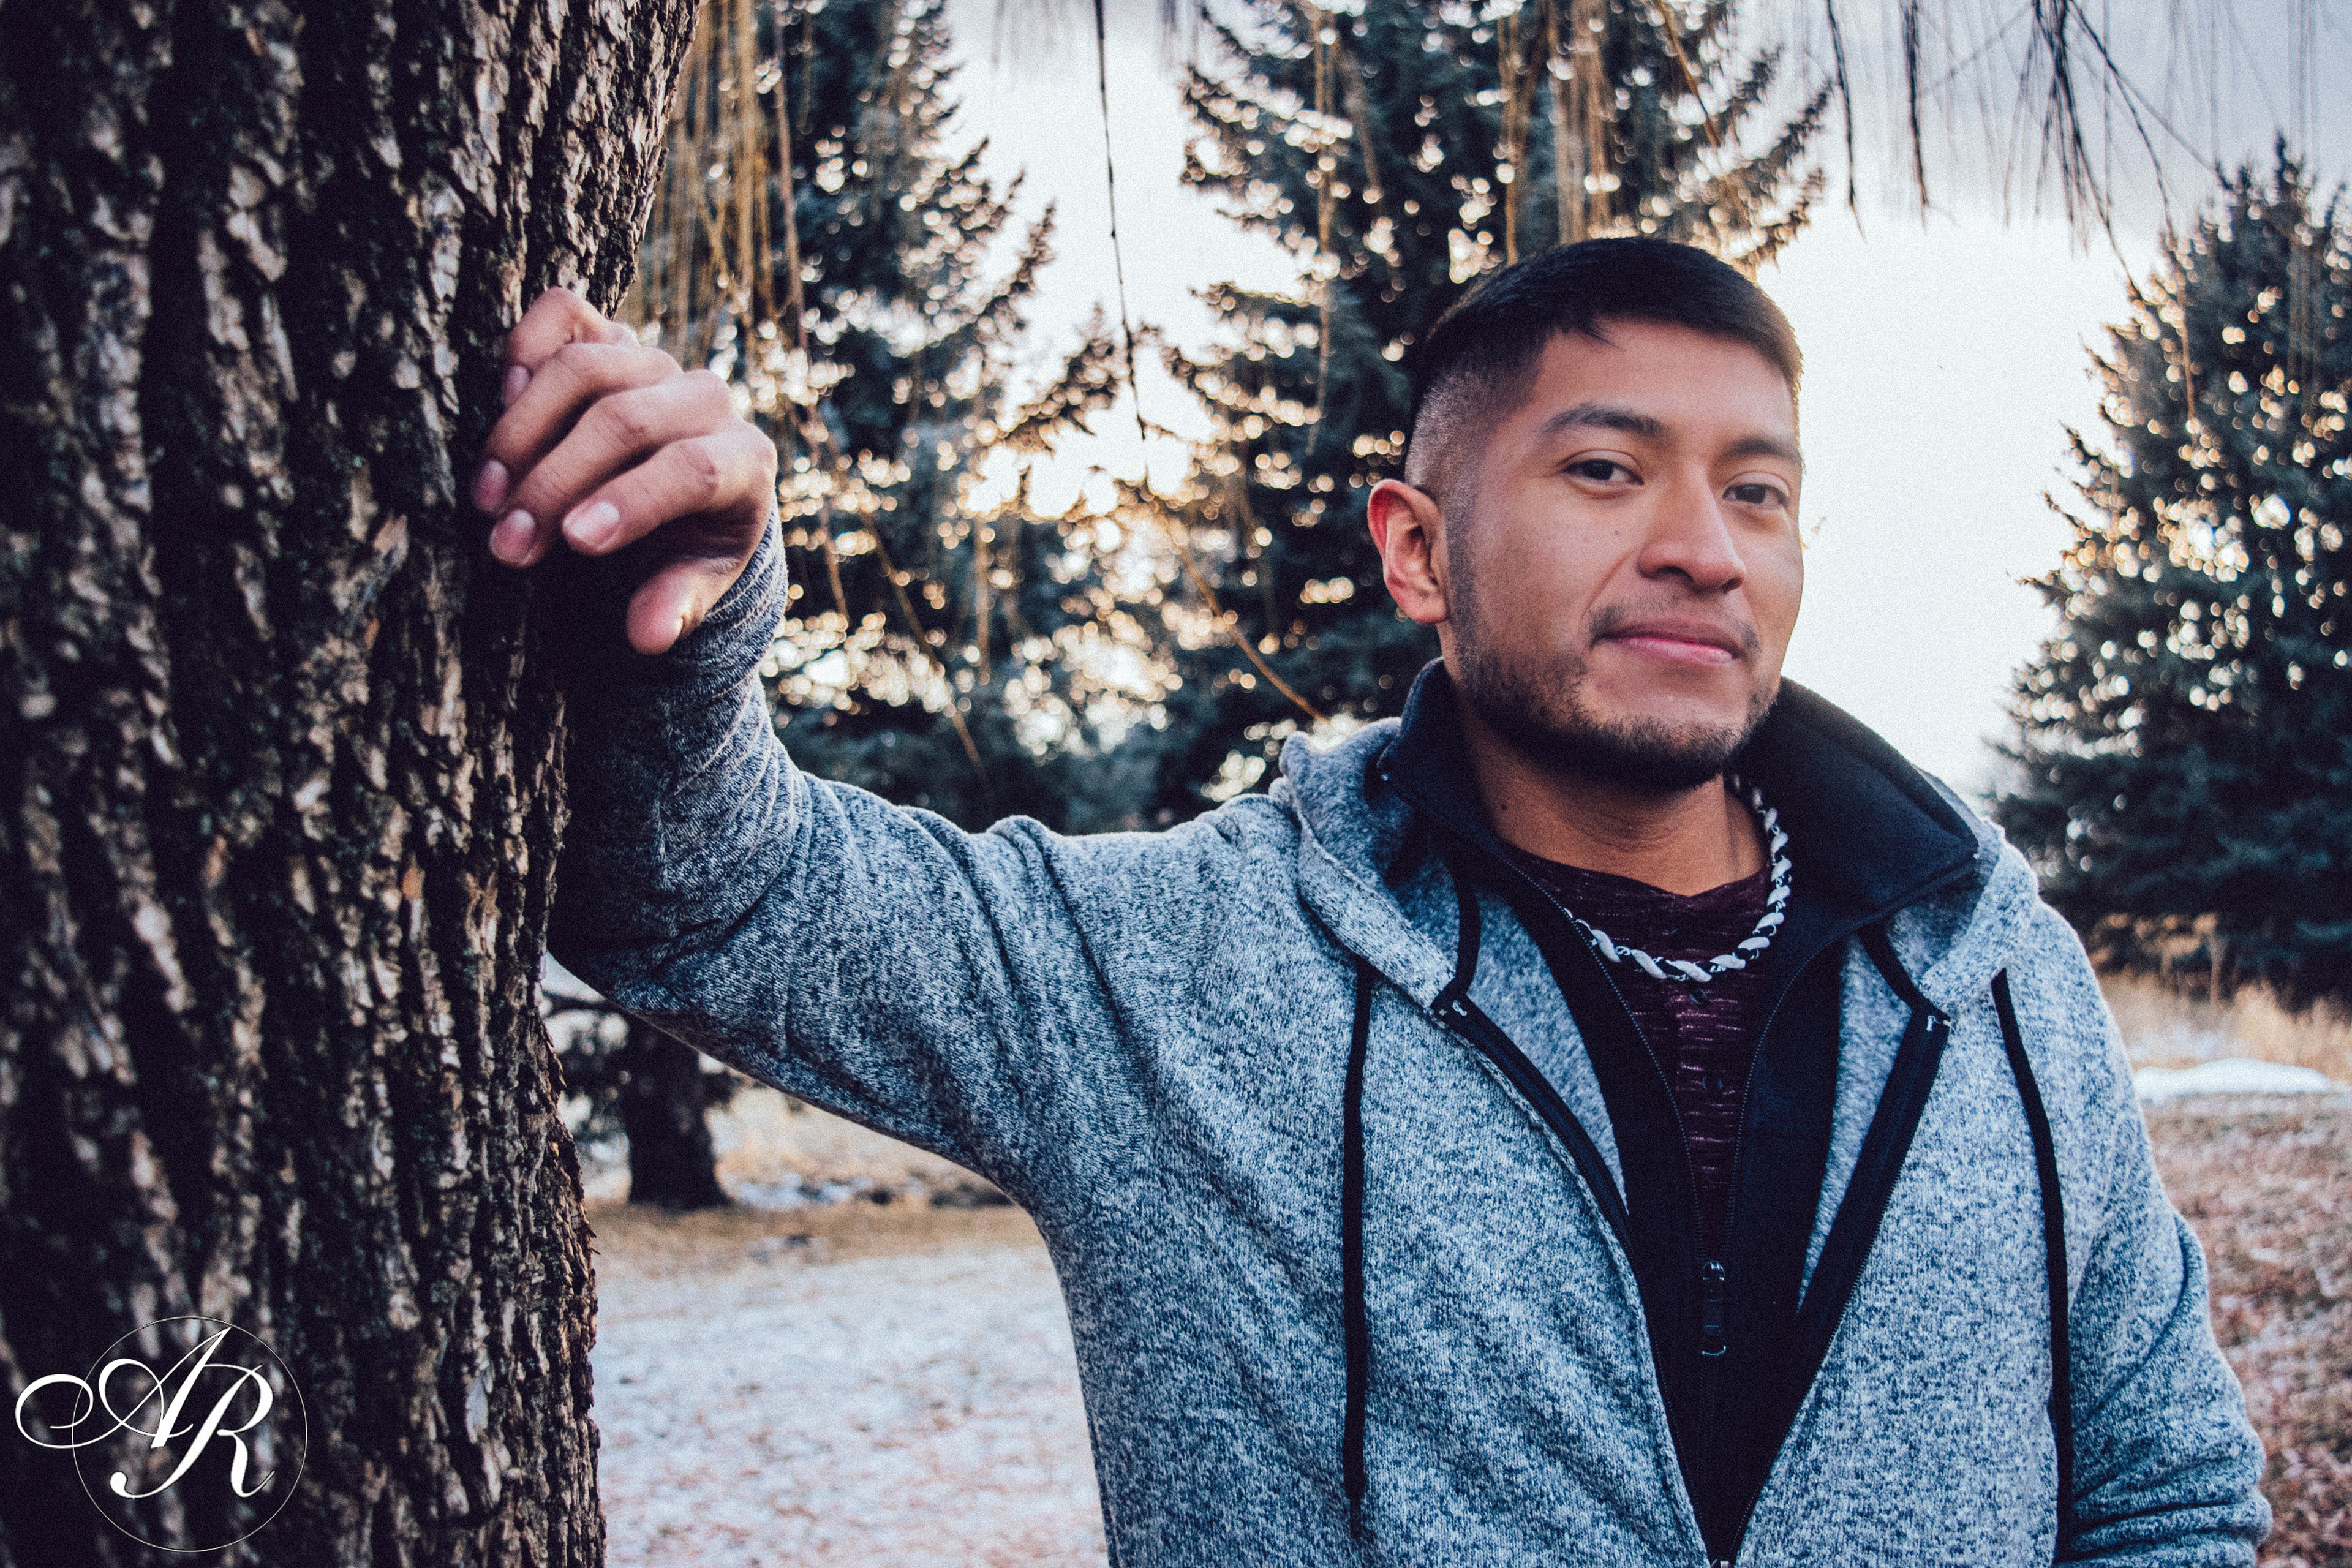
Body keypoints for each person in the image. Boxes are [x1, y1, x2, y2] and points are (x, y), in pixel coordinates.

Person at [477, 238, 2270, 1565]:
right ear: (1415, 547)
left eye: (1758, 491)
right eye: (1606, 470)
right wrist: (680, 628)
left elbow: (2166, 1493)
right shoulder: (1189, 968)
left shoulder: (1995, 975)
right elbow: (718, 903)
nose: (1704, 547)